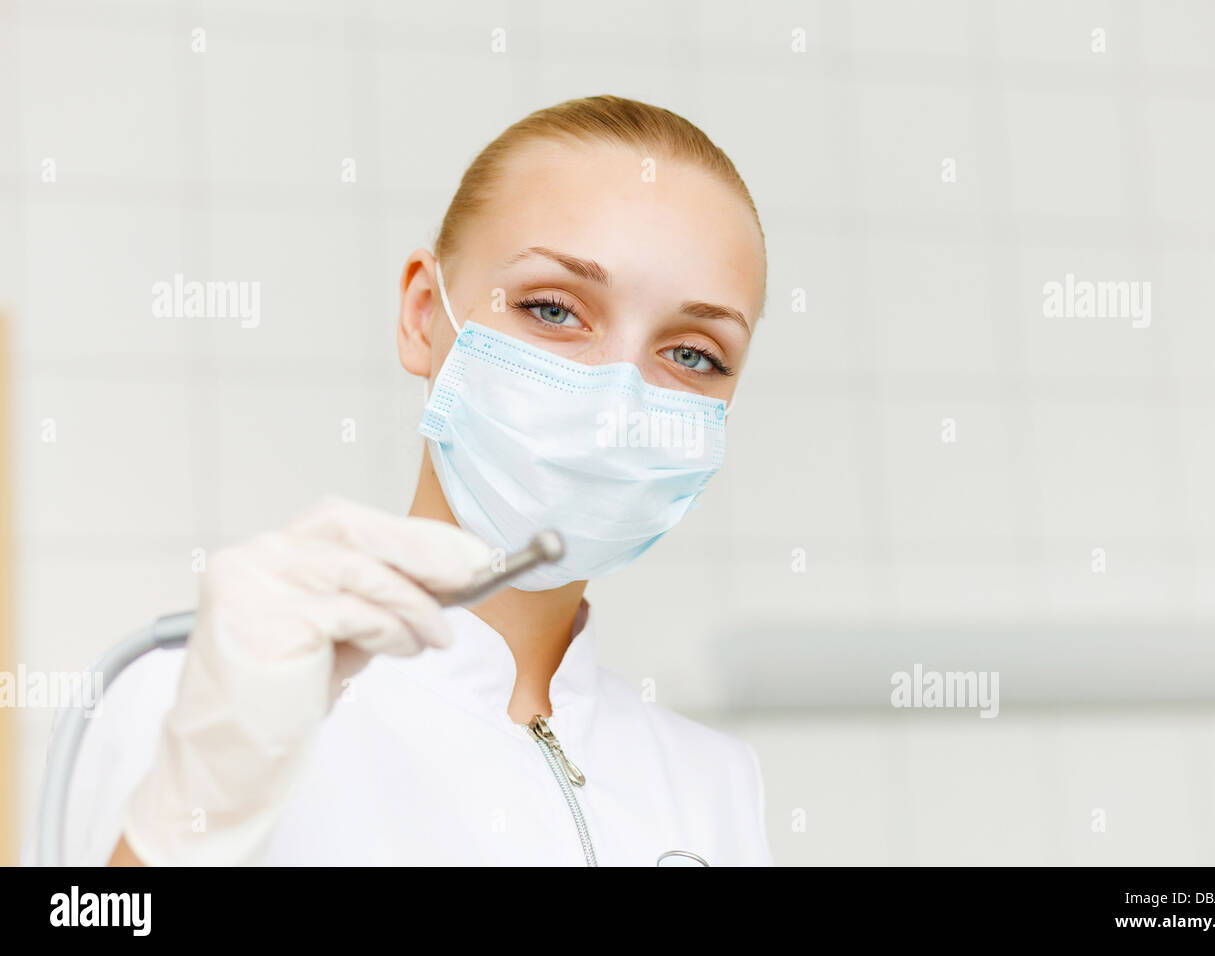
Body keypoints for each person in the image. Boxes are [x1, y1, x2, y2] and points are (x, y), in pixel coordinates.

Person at [41, 94, 771, 866]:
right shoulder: (200, 706)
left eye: (694, 354)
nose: (619, 400)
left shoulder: (713, 785)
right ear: (426, 316)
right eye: (554, 309)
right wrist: (185, 825)